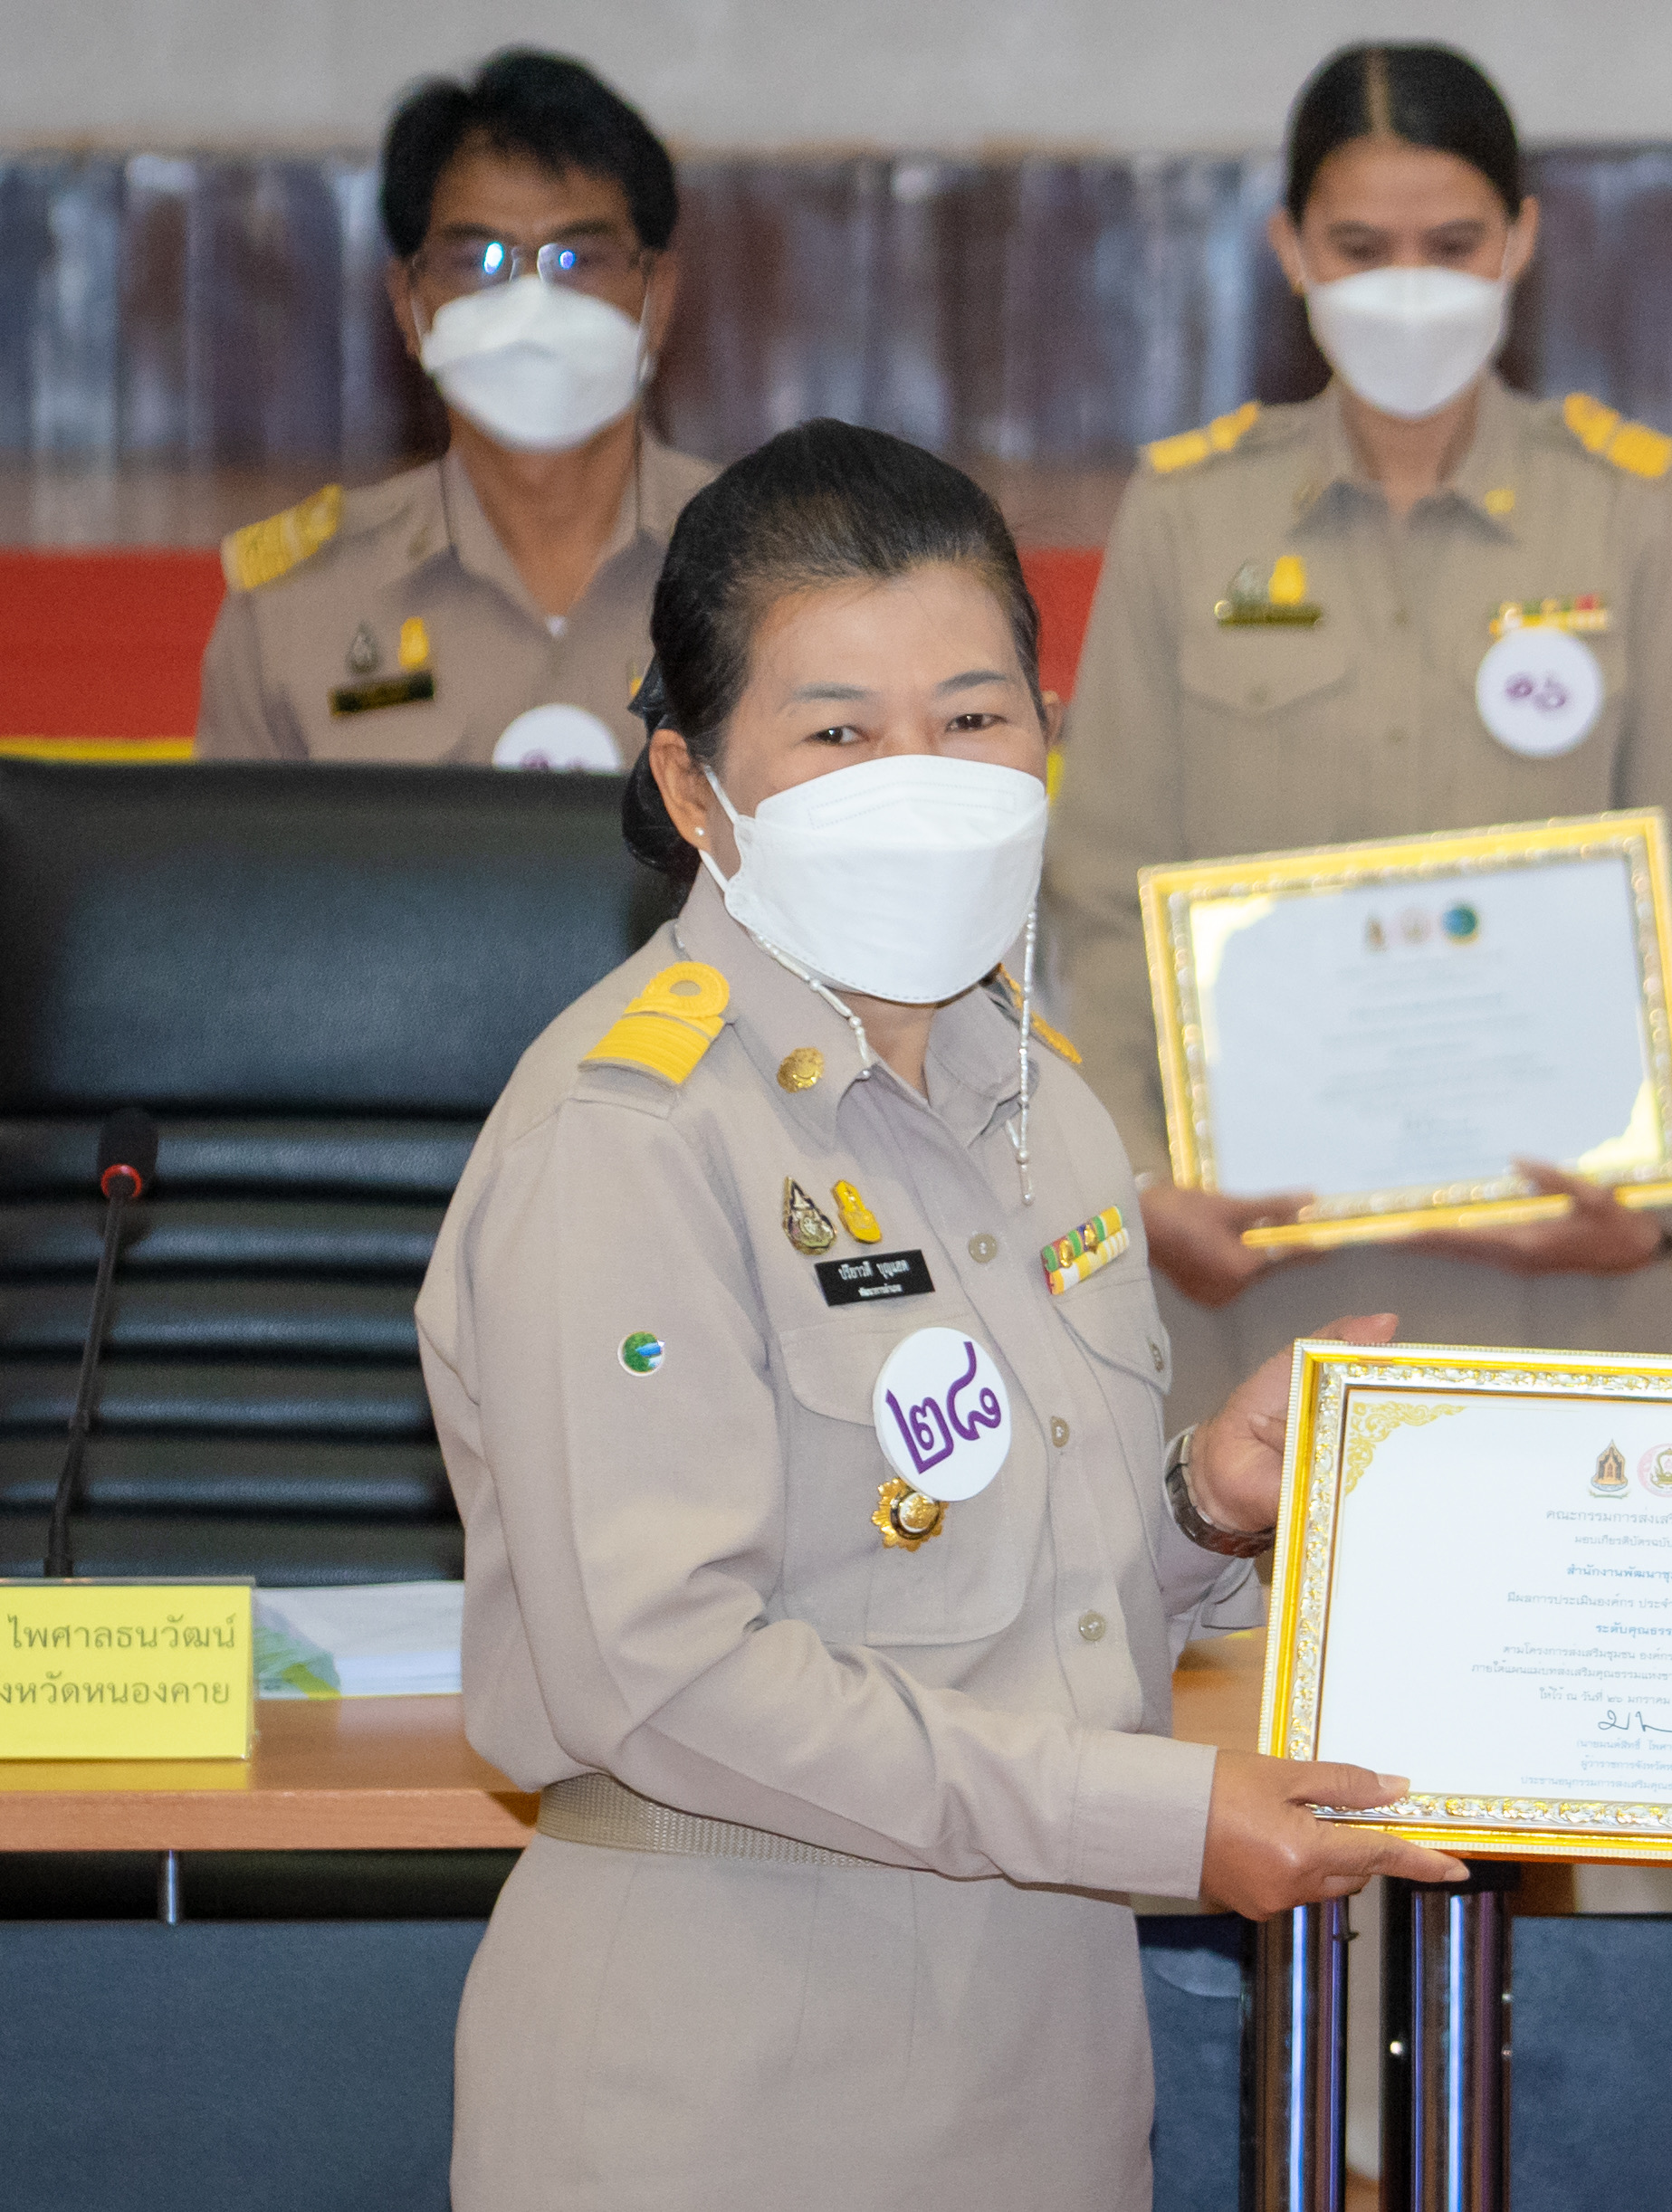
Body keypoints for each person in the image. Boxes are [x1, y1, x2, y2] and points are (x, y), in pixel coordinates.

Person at [416, 420, 1462, 2212]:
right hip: (724, 2078)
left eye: (975, 717)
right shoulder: (629, 1131)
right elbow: (662, 1672)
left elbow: (983, 1587)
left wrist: (1204, 1502)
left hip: (1036, 2070)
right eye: (840, 733)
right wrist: (1162, 1816)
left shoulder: (1044, 1097)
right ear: (692, 787)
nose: (925, 774)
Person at [1045, 43, 1672, 1431]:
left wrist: (1649, 1190)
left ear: (1522, 243)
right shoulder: (1187, 514)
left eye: (1452, 243)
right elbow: (1103, 886)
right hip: (1251, 1281)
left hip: (1558, 1273)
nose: (1408, 285)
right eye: (1361, 247)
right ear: (1290, 253)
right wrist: (1147, 1181)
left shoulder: (1633, 504)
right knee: (1242, 1648)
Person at [197, 49, 713, 768]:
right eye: (482, 263)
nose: (532, 306)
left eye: (577, 260)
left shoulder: (778, 574)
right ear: (408, 308)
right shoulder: (294, 607)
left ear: (659, 300)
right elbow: (235, 877)